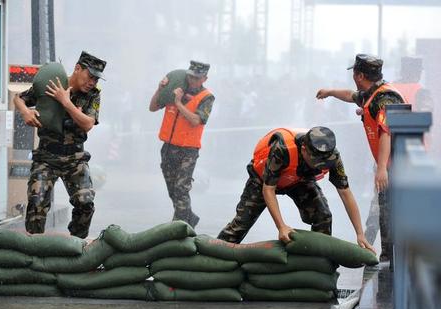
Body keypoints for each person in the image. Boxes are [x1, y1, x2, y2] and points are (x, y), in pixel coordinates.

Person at [217, 126, 375, 254]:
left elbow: (345, 193)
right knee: (240, 225)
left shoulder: (332, 157)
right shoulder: (283, 148)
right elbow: (268, 189)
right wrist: (281, 227)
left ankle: (319, 265)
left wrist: (360, 233)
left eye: (323, 163)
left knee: (323, 216)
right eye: (316, 162)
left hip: (299, 181)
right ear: (304, 149)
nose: (319, 165)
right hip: (263, 181)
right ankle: (214, 255)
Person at [316, 54, 405, 261]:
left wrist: (382, 168)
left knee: (389, 210)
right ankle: (383, 254)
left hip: (399, 167)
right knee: (383, 208)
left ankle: (390, 259)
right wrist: (329, 92)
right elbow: (351, 95)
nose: (353, 78)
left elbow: (386, 132)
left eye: (354, 73)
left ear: (360, 75)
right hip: (391, 165)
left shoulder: (384, 99)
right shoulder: (371, 93)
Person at [13, 51, 107, 239]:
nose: (92, 83)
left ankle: (75, 245)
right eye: (90, 76)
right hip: (46, 157)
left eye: (96, 80)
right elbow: (19, 98)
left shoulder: (92, 96)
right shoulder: (53, 84)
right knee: (37, 203)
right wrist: (25, 112)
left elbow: (88, 123)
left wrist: (66, 102)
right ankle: (33, 250)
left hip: (75, 158)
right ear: (78, 68)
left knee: (85, 203)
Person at [149, 60, 215, 228]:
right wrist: (160, 88)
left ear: (204, 79)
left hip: (188, 150)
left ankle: (180, 226)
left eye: (196, 78)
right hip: (168, 148)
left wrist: (178, 103)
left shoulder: (206, 97)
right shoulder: (176, 89)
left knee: (181, 189)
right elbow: (153, 107)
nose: (192, 80)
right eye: (190, 76)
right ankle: (189, 217)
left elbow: (196, 120)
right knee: (172, 190)